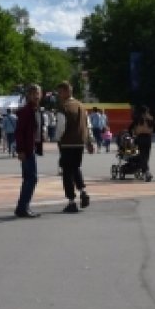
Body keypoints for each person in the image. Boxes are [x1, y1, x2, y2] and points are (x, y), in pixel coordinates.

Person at [55, 81, 94, 213]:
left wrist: (57, 138)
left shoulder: (64, 107)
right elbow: (87, 125)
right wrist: (89, 141)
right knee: (76, 167)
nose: (59, 95)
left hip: (67, 143)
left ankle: (71, 201)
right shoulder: (81, 106)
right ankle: (83, 191)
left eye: (60, 92)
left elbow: (61, 126)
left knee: (67, 172)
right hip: (80, 142)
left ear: (66, 91)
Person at [14, 86, 44, 218]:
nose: (35, 96)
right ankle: (23, 207)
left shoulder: (36, 110)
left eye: (37, 93)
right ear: (28, 96)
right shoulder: (26, 111)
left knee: (28, 178)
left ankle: (22, 206)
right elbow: (19, 132)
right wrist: (20, 150)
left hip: (31, 147)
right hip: (26, 149)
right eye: (32, 94)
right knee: (31, 178)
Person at [130, 104, 155, 182]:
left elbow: (131, 128)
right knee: (146, 155)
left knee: (142, 155)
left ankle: (146, 171)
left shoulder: (137, 118)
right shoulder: (150, 118)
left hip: (140, 137)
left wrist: (133, 135)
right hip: (148, 138)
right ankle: (145, 171)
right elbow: (152, 130)